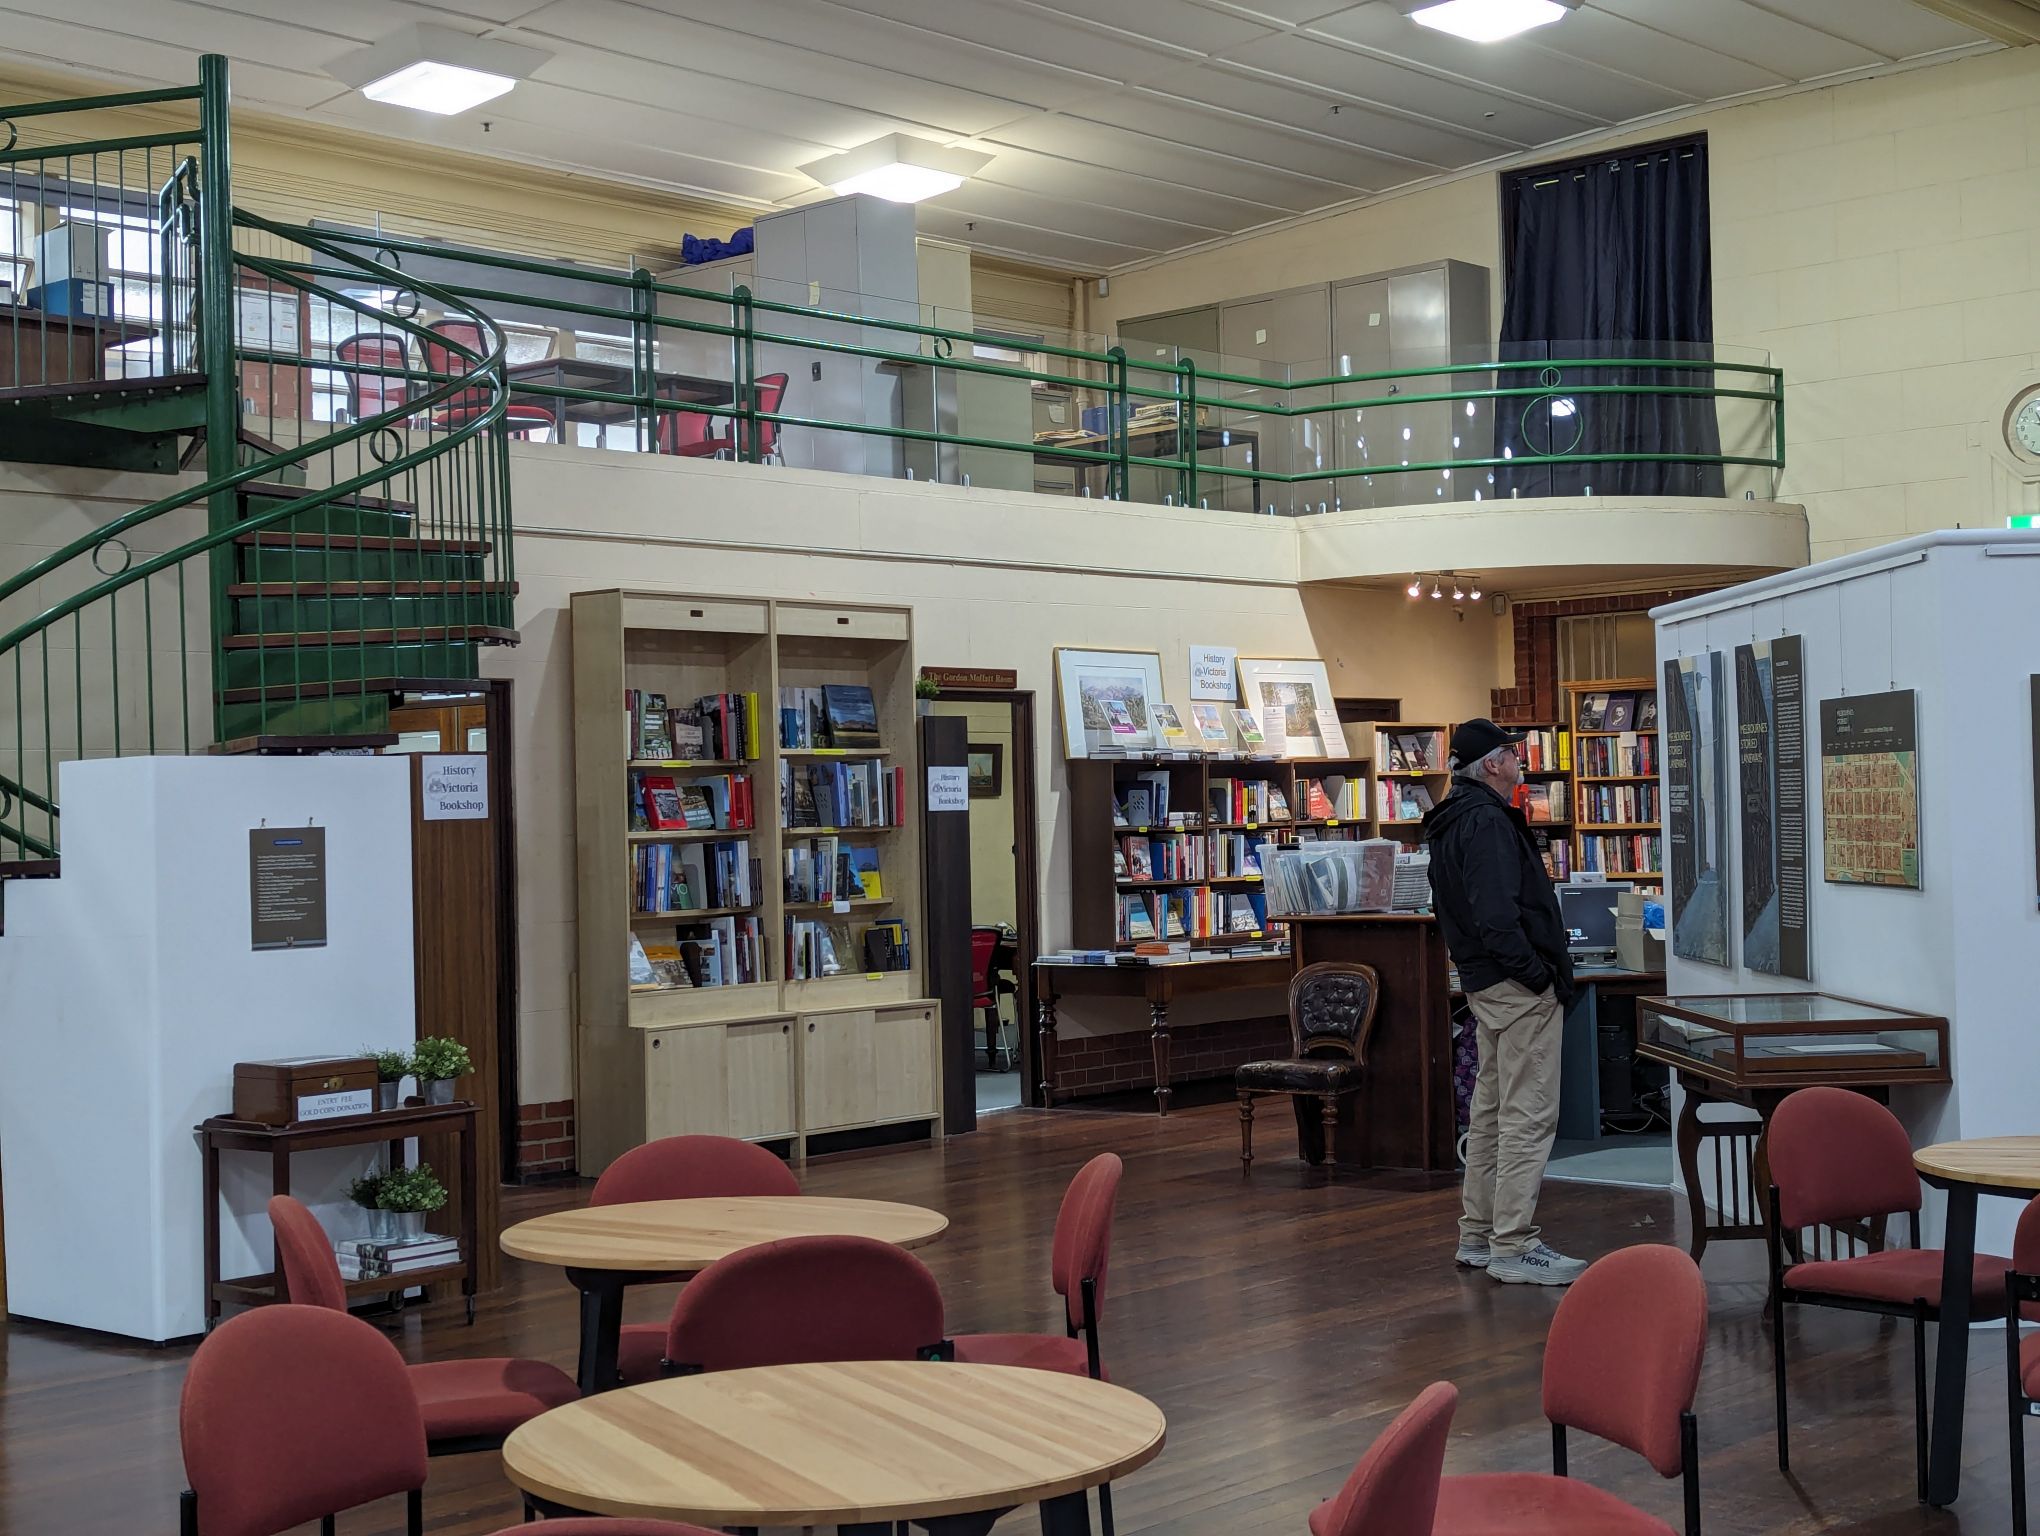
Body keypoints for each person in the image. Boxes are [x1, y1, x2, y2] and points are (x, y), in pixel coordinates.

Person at [1422, 718, 1585, 1286]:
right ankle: (1513, 1245)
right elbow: (1498, 917)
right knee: (1528, 1116)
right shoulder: (1487, 822)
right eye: (1511, 752)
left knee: (1491, 1113)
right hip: (1517, 991)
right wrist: (1539, 978)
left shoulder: (1448, 821)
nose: (1519, 759)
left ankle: (1478, 1234)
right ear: (1491, 764)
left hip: (1484, 985)